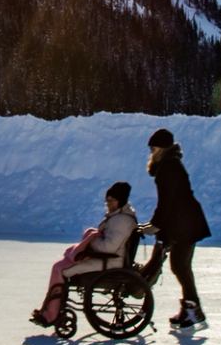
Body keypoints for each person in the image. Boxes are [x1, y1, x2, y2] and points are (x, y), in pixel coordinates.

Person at [31, 181, 139, 328]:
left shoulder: (122, 221)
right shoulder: (118, 218)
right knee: (60, 266)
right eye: (107, 201)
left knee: (61, 270)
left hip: (110, 261)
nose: (108, 204)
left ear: (120, 200)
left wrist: (90, 242)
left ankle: (51, 314)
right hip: (106, 258)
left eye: (111, 201)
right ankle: (52, 310)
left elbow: (109, 247)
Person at [146, 128, 211, 330]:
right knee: (180, 266)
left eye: (154, 147)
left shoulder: (169, 167)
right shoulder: (168, 165)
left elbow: (168, 201)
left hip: (186, 223)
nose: (151, 151)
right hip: (184, 222)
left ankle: (193, 311)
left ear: (162, 148)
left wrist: (156, 224)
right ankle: (191, 309)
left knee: (180, 266)